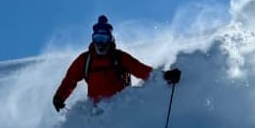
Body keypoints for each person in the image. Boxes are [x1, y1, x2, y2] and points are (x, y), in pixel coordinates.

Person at [52, 15, 181, 112]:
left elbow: (142, 71)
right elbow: (70, 80)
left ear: (110, 39)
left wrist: (165, 76)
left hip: (120, 111)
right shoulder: (85, 60)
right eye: (97, 38)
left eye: (104, 38)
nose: (100, 42)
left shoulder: (119, 57)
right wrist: (60, 97)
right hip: (96, 111)